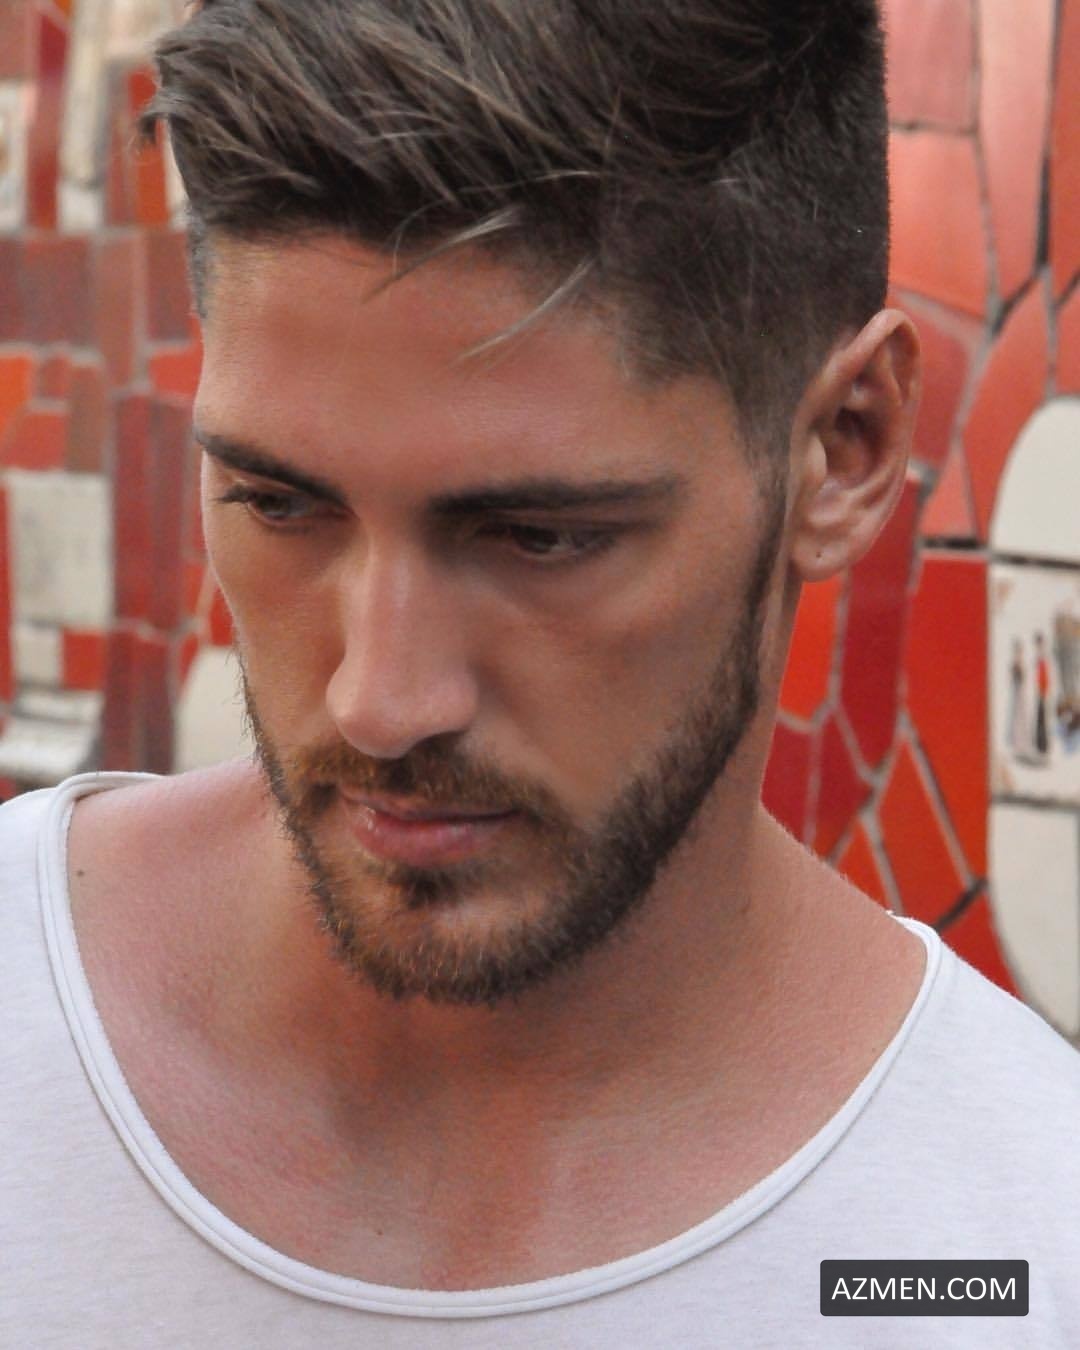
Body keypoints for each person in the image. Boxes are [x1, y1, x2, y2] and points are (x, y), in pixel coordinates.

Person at [3, 2, 1079, 1344]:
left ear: (844, 452)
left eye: (538, 535)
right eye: (280, 503)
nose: (379, 702)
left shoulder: (1020, 1255)